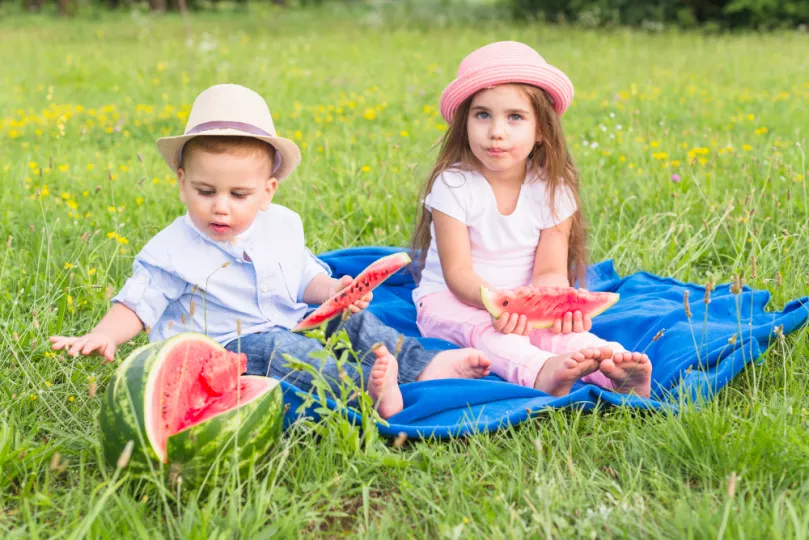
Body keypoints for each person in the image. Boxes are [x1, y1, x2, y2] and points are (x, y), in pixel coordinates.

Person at [50, 84, 491, 418]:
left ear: (267, 191)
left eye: (238, 194)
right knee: (292, 354)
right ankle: (366, 393)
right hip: (224, 347)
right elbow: (137, 303)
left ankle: (423, 363)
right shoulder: (171, 250)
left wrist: (335, 289)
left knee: (352, 320)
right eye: (205, 191)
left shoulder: (282, 224)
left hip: (291, 317)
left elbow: (303, 279)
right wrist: (105, 334)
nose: (220, 206)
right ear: (182, 182)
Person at [407, 42, 652, 397]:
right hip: (453, 301)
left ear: (541, 130)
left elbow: (550, 271)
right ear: (464, 125)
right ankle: (540, 372)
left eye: (515, 117)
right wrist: (495, 304)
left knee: (569, 335)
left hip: (525, 299)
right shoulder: (453, 184)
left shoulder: (553, 189)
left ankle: (615, 368)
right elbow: (457, 272)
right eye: (482, 115)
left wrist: (558, 305)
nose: (496, 131)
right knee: (490, 335)